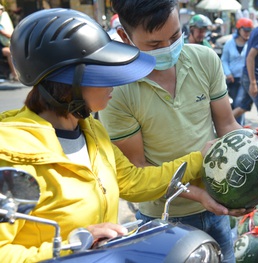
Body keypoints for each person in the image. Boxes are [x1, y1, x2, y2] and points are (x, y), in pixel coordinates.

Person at [0, 8, 218, 262]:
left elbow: (134, 181)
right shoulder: (11, 156)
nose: (113, 83)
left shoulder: (91, 131)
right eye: (102, 73)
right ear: (69, 82)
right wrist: (71, 245)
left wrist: (198, 160)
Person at [99, 1, 248, 262]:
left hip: (217, 205)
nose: (168, 49)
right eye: (155, 45)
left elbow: (227, 126)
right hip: (163, 220)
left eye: (175, 36)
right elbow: (140, 169)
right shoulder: (117, 92)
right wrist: (199, 196)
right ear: (125, 36)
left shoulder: (205, 59)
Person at [221, 18, 254, 126]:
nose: (247, 33)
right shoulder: (229, 43)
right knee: (233, 105)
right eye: (245, 31)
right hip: (232, 79)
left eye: (249, 31)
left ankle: (238, 127)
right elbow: (224, 60)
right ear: (239, 30)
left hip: (246, 79)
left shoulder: (251, 44)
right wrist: (228, 73)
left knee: (240, 105)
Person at [0, 4, 17, 81]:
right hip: (2, 47)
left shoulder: (3, 19)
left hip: (6, 44)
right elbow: (7, 35)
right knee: (9, 52)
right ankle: (15, 74)